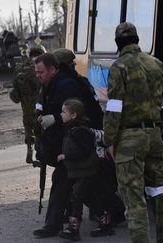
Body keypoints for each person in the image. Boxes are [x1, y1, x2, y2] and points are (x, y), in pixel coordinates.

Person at [103, 22, 163, 243]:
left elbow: (114, 109)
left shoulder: (119, 67)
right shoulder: (157, 64)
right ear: (137, 40)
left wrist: (108, 140)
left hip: (129, 141)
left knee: (134, 200)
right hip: (154, 137)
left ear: (117, 43)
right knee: (158, 192)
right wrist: (157, 128)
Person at [53, 48, 126, 226]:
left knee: (91, 183)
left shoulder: (69, 84)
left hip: (88, 137)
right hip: (92, 133)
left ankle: (104, 215)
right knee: (93, 183)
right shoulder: (79, 82)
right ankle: (104, 214)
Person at [32, 53, 83, 238]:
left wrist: (54, 118)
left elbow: (75, 115)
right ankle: (113, 212)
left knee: (62, 180)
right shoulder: (49, 85)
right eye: (36, 72)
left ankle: (52, 224)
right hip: (65, 142)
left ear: (53, 69)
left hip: (76, 142)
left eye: (41, 72)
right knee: (89, 186)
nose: (38, 76)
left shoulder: (65, 85)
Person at [57, 98, 114, 241]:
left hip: (86, 170)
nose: (61, 114)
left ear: (74, 115)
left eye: (64, 112)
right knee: (90, 197)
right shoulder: (72, 129)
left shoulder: (80, 131)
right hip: (80, 170)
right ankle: (105, 223)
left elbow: (84, 151)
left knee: (76, 198)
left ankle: (73, 229)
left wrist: (66, 156)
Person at [9, 46, 44, 163]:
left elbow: (14, 89)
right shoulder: (42, 67)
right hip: (41, 103)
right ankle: (40, 152)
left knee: (28, 128)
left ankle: (30, 148)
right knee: (40, 127)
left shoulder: (20, 68)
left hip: (26, 106)